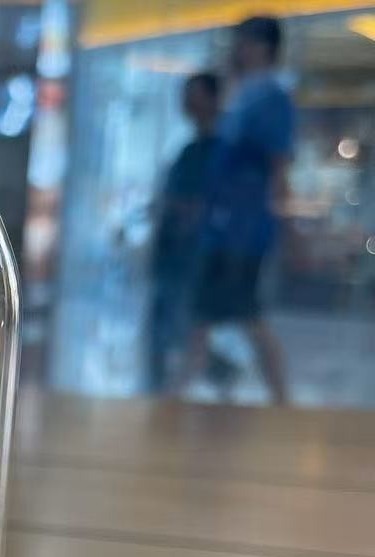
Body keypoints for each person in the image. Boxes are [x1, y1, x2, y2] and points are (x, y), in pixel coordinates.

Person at [179, 15, 295, 404]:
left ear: (263, 47)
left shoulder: (272, 99)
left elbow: (279, 169)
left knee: (245, 315)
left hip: (243, 233)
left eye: (243, 42)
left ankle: (282, 400)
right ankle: (177, 393)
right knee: (208, 316)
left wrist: (289, 229)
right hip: (222, 229)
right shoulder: (244, 96)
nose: (236, 50)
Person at [148, 72, 220, 393]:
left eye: (194, 94)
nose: (186, 102)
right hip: (174, 253)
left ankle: (175, 391)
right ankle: (169, 390)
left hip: (193, 255)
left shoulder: (218, 151)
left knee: (187, 326)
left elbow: (205, 205)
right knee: (172, 326)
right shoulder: (191, 148)